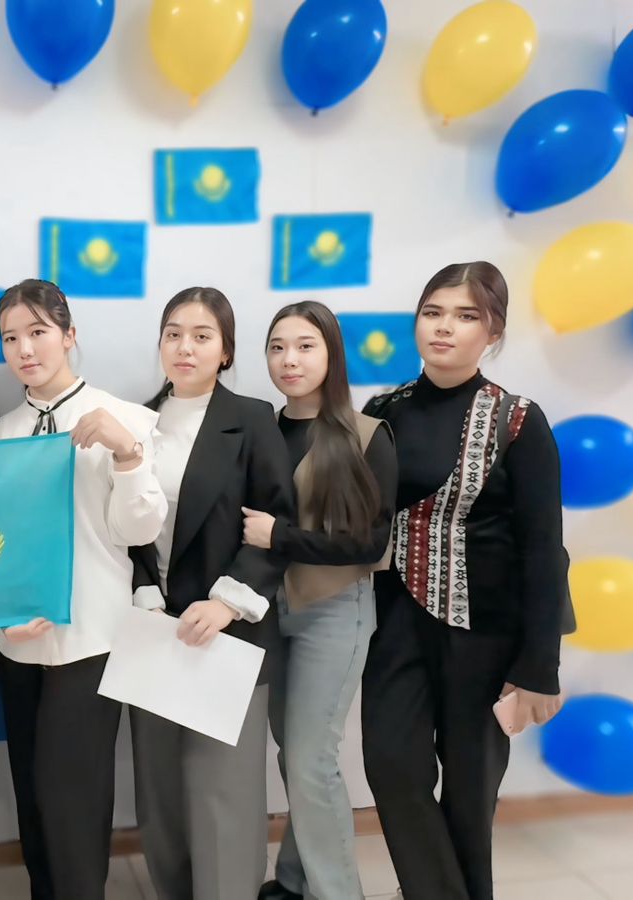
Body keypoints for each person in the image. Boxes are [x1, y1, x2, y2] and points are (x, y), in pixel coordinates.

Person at [359, 262, 564, 900]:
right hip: (395, 622)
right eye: (433, 312)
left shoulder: (519, 420)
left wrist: (539, 664)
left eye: (466, 315)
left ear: (493, 332)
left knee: (471, 794)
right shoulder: (382, 411)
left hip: (488, 633)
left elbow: (543, 548)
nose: (444, 327)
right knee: (391, 765)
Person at [0, 278, 167, 900]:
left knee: (75, 800)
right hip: (17, 640)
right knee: (33, 798)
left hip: (91, 635)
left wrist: (127, 454)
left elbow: (138, 530)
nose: (24, 349)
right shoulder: (0, 432)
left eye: (37, 332)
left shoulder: (126, 419)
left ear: (69, 335)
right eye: (10, 338)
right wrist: (0, 617)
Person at [127, 287, 294, 900]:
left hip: (229, 630)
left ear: (225, 351)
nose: (185, 347)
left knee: (223, 790)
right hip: (152, 629)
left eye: (202, 336)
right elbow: (123, 524)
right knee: (160, 792)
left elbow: (276, 522)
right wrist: (145, 591)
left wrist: (227, 602)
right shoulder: (136, 420)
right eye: (173, 333)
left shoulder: (251, 418)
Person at [246, 301, 397, 900]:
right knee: (296, 756)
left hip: (333, 609)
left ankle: (337, 893)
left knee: (312, 759)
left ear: (331, 354)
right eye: (278, 347)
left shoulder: (366, 435)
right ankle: (293, 879)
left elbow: (372, 543)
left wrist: (281, 537)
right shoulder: (258, 428)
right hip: (264, 611)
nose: (290, 360)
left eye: (305, 346)